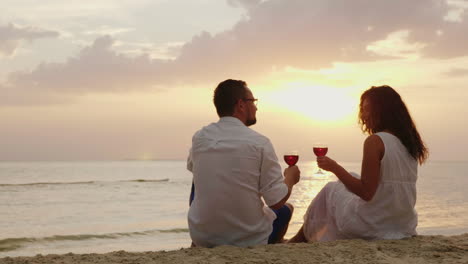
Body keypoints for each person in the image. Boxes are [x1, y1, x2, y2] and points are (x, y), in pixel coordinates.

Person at [289, 85, 428, 242]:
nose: (364, 115)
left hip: (373, 224)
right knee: (347, 180)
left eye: (368, 109)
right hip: (402, 225)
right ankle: (303, 238)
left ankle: (299, 239)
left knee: (330, 190)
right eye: (363, 109)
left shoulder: (375, 141)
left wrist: (335, 168)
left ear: (383, 111)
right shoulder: (409, 143)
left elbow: (366, 193)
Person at [187, 79, 300, 247]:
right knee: (286, 209)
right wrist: (290, 178)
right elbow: (275, 201)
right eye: (253, 101)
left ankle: (207, 228)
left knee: (198, 174)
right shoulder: (259, 143)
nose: (256, 107)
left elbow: (192, 168)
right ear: (241, 105)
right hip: (248, 240)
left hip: (202, 238)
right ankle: (273, 245)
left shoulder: (200, 137)